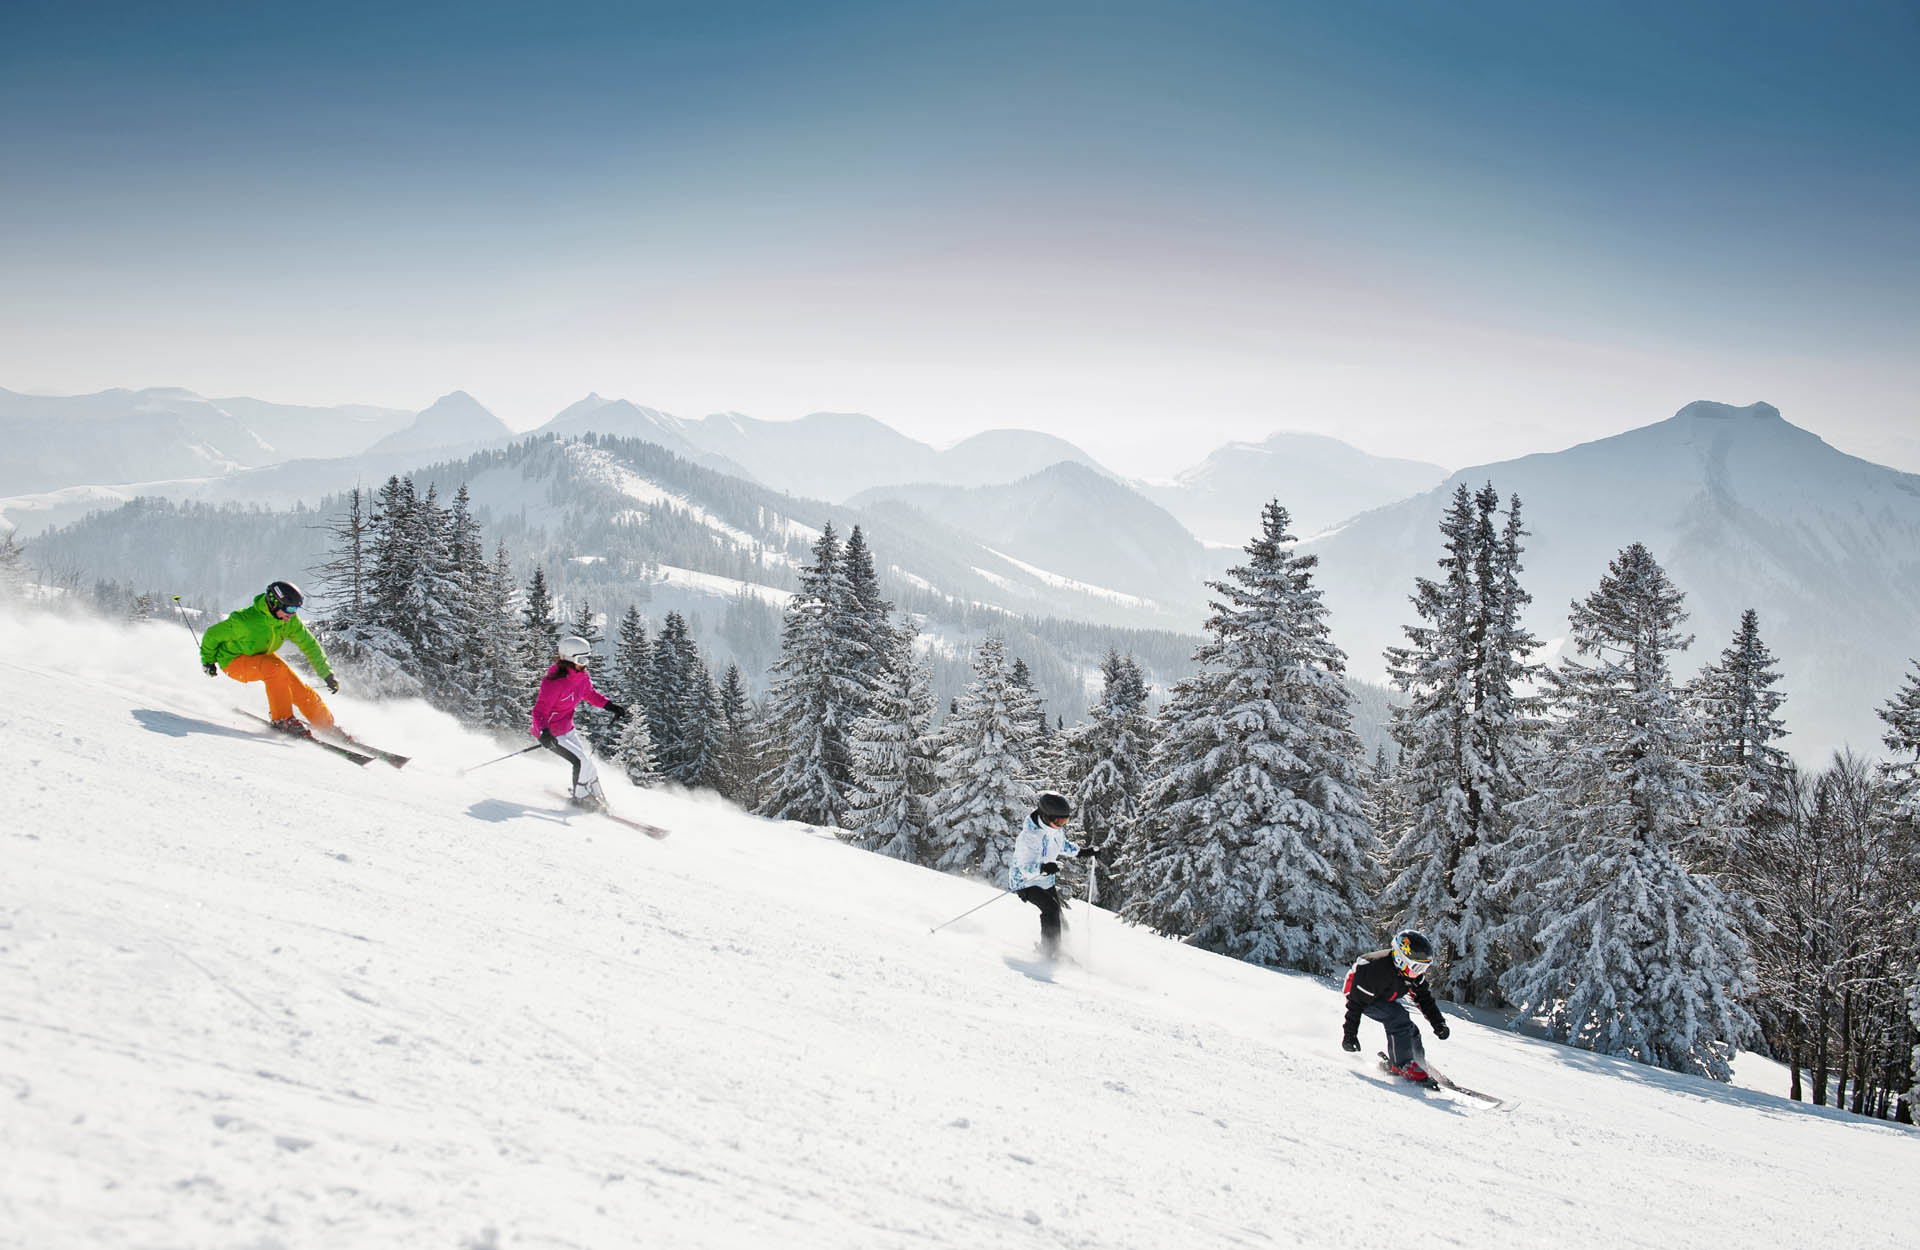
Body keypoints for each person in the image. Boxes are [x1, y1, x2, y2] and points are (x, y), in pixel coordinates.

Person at [200, 579, 340, 736]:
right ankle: (282, 720)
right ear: (274, 603)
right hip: (234, 662)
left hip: (263, 658)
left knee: (297, 687)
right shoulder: (245, 621)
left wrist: (326, 674)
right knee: (275, 668)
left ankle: (325, 724)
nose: (292, 614)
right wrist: (208, 661)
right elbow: (212, 635)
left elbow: (309, 644)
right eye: (289, 608)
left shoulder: (289, 621)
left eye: (296, 609)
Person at [531, 635, 629, 810]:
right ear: (568, 659)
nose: (585, 664)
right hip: (550, 733)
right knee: (581, 761)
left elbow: (589, 694)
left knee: (588, 763)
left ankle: (594, 793)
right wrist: (545, 733)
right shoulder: (554, 683)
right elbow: (539, 712)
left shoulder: (581, 676)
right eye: (581, 659)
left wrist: (610, 706)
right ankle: (580, 797)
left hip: (566, 729)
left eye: (587, 659)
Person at [1341, 929, 1451, 1082]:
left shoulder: (1411, 975)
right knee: (1397, 1016)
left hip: (1383, 994)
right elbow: (1355, 1004)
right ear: (1401, 960)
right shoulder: (1374, 970)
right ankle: (1401, 1064)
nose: (1421, 973)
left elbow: (1424, 1000)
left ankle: (1417, 1060)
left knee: (1410, 1029)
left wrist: (1438, 1023)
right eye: (1418, 968)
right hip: (1359, 995)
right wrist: (1350, 1035)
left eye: (1424, 968)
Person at [1008, 791, 1104, 960]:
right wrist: (1042, 867)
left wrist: (1082, 852)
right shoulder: (1029, 837)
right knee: (1050, 909)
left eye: (1064, 821)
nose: (1061, 825)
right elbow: (1024, 868)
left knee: (1058, 916)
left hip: (1045, 880)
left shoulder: (1054, 830)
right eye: (1058, 821)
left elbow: (1062, 845)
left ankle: (1063, 948)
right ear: (1045, 816)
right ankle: (1050, 952)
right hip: (1025, 882)